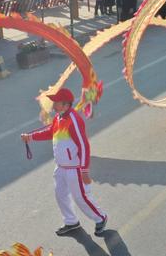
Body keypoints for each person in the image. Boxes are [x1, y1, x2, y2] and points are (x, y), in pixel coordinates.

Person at [21, 88, 108, 236]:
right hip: (61, 167)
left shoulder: (74, 120)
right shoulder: (58, 118)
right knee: (60, 195)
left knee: (81, 197)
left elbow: (84, 145)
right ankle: (71, 222)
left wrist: (84, 170)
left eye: (56, 102)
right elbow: (49, 132)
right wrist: (31, 137)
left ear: (66, 105)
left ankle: (100, 218)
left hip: (74, 169)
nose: (53, 105)